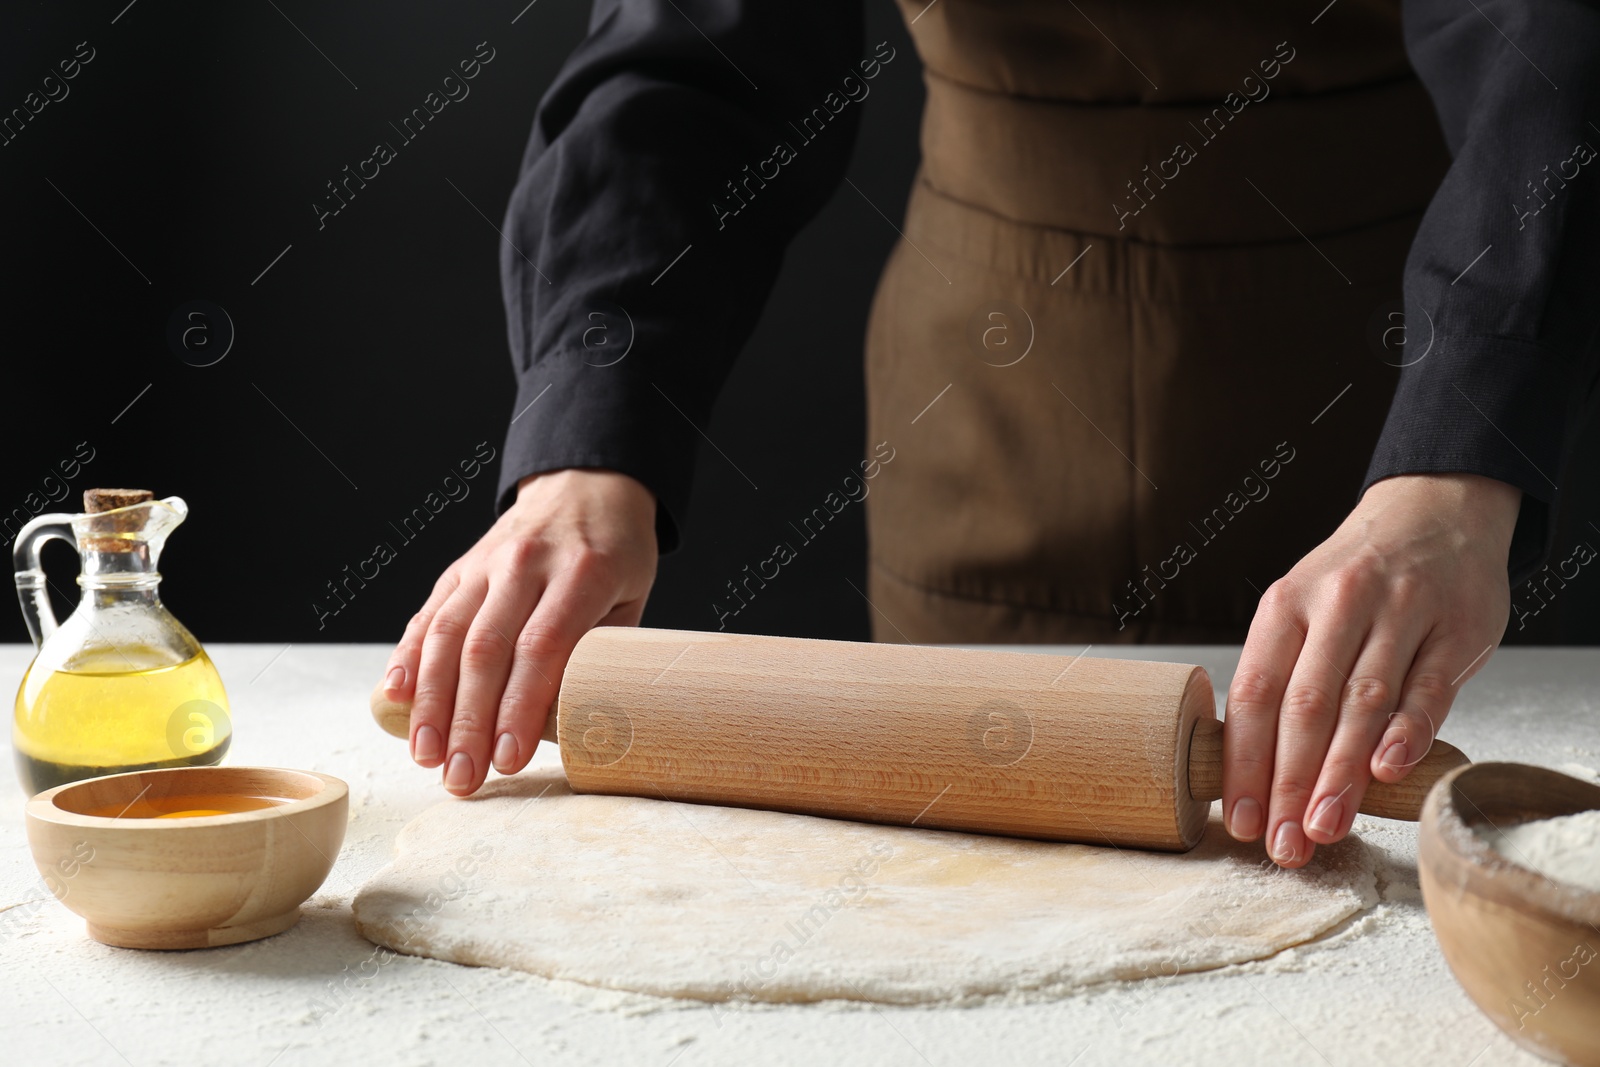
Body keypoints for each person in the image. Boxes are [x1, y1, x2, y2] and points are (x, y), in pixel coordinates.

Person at [378, 0, 1598, 869]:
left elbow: (1554, 42)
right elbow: (689, 59)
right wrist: (589, 442)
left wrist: (1462, 449)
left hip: (1406, 408)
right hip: (990, 418)